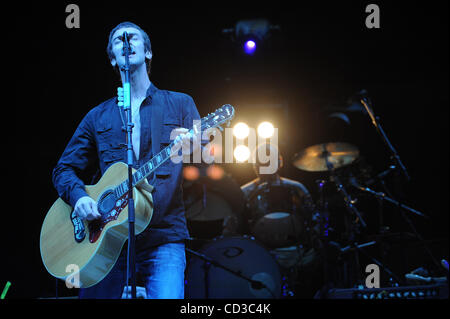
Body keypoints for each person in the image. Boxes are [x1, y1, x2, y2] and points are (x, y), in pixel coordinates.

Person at [52, 21, 200, 299]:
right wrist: (79, 197)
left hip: (163, 235)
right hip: (106, 238)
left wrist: (194, 149)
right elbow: (64, 169)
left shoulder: (180, 104)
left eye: (132, 37)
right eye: (118, 40)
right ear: (112, 58)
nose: (126, 41)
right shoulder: (98, 116)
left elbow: (207, 162)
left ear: (148, 53)